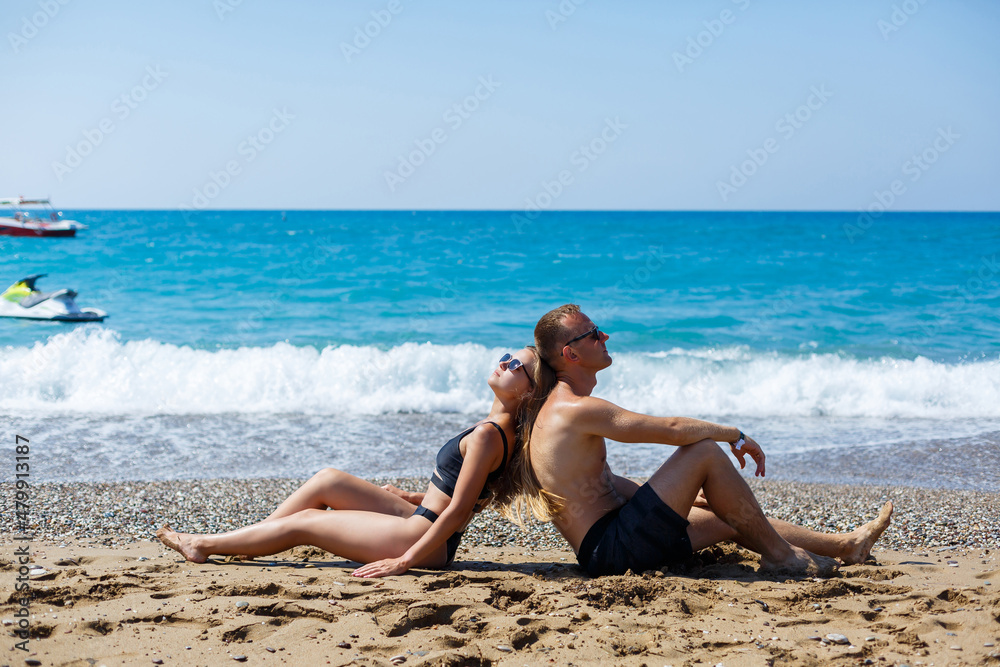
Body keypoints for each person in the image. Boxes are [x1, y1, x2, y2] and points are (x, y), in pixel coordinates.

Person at [502, 304, 892, 577]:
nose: (605, 335)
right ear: (571, 353)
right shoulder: (572, 409)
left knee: (729, 512)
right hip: (613, 550)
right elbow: (670, 429)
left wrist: (688, 494)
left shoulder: (562, 408)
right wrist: (735, 435)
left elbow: (601, 488)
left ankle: (845, 546)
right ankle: (780, 557)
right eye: (592, 334)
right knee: (703, 451)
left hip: (611, 544)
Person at [157, 347, 542, 578]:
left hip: (422, 542)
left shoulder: (491, 434)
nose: (504, 364)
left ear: (530, 391)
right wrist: (408, 496)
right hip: (421, 520)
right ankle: (247, 540)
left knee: (305, 522)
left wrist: (404, 562)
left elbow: (458, 510)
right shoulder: (496, 428)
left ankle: (204, 544)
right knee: (328, 480)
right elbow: (467, 491)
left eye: (516, 366)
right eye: (506, 357)